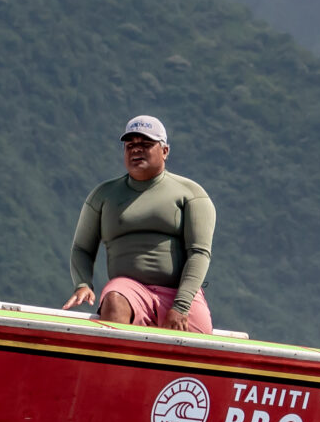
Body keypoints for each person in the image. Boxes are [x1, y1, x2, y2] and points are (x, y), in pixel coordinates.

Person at [65, 115, 217, 332]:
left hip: (179, 293)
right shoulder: (103, 195)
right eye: (130, 145)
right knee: (115, 298)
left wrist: (181, 306)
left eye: (146, 144)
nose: (136, 150)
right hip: (129, 290)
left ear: (165, 151)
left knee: (199, 349)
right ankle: (114, 366)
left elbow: (199, 253)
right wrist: (83, 284)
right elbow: (81, 248)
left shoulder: (191, 194)